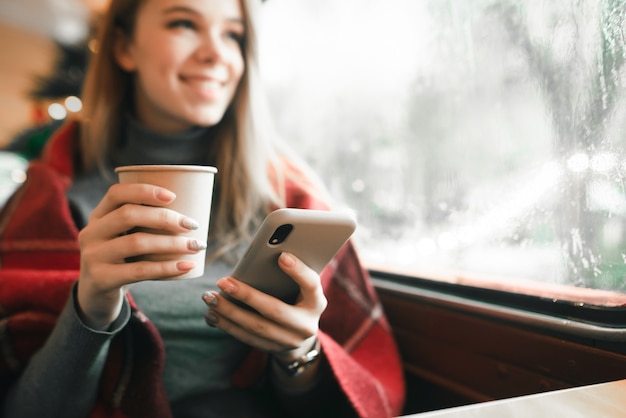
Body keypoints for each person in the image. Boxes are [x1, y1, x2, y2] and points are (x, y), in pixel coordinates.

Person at [0, 0, 405, 417]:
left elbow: (349, 405)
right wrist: (89, 309)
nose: (216, 53)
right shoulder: (49, 204)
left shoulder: (291, 201)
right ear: (124, 48)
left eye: (233, 34)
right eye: (183, 24)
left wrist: (299, 354)